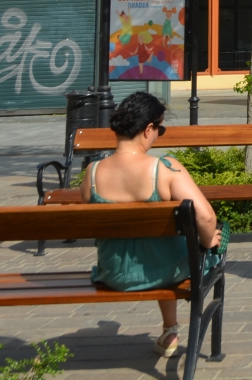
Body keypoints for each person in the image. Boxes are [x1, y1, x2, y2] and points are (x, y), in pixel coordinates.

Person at [81, 91, 224, 359]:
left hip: (112, 274)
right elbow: (205, 217)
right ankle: (171, 329)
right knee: (207, 239)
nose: (159, 134)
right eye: (160, 128)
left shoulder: (92, 173)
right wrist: (208, 242)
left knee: (155, 244)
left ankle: (170, 328)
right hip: (165, 272)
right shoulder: (165, 168)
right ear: (148, 129)